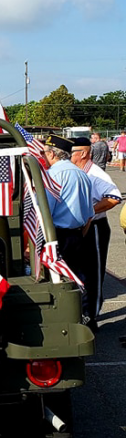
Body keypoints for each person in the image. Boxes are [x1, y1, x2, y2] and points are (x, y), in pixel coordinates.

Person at [70, 138, 121, 329]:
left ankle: (91, 316)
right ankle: (83, 312)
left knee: (94, 273)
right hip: (80, 227)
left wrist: (90, 211)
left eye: (71, 152)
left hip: (96, 227)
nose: (68, 156)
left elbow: (114, 197)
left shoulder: (95, 174)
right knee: (81, 271)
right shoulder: (78, 172)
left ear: (83, 153)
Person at [42, 135, 95, 291]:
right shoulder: (82, 174)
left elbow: (44, 214)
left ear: (51, 153)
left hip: (56, 236)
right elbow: (89, 215)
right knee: (78, 279)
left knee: (59, 284)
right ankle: (83, 313)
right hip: (77, 235)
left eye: (44, 152)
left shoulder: (52, 175)